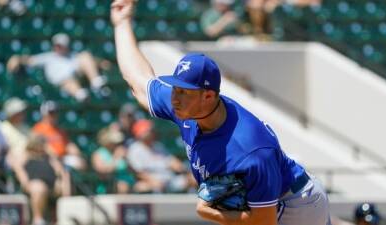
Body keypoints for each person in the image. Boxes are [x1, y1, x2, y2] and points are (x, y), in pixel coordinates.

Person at [111, 0, 331, 224]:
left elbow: (262, 222)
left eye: (184, 92)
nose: (175, 98)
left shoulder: (251, 149)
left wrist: (210, 212)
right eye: (175, 89)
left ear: (208, 96)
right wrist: (122, 23)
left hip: (294, 205)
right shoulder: (186, 106)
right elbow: (138, 81)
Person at [6, 33, 107, 102]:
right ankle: (81, 96)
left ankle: (96, 83)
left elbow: (88, 60)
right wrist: (17, 58)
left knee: (85, 55)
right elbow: (29, 60)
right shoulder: (48, 57)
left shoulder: (73, 56)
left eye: (61, 46)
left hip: (76, 75)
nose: (58, 48)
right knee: (69, 81)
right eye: (57, 45)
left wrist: (101, 62)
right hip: (61, 81)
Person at [13, 134, 70, 225]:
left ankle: (63, 216)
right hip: (34, 183)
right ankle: (38, 219)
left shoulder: (48, 156)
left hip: (51, 183)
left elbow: (60, 170)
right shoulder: (26, 154)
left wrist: (59, 181)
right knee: (39, 188)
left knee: (65, 183)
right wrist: (24, 180)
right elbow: (18, 167)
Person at [127, 119, 195, 193]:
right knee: (142, 187)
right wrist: (152, 181)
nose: (150, 132)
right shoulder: (135, 149)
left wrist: (184, 170)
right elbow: (138, 172)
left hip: (169, 179)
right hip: (151, 181)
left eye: (150, 130)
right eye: (147, 131)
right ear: (139, 134)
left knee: (193, 179)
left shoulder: (158, 146)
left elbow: (172, 162)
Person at [32, 100, 86, 171]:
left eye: (55, 112)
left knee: (81, 163)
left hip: (63, 158)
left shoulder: (59, 130)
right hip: (48, 159)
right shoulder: (38, 128)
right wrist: (53, 154)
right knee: (57, 164)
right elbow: (38, 146)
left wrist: (76, 152)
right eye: (51, 113)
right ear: (44, 114)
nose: (54, 115)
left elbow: (68, 144)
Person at [92, 126, 138, 194]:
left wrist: (127, 159)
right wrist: (116, 158)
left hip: (128, 181)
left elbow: (133, 171)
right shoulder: (98, 154)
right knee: (122, 185)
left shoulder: (121, 152)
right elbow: (102, 171)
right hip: (109, 184)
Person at [0, 97, 30, 168]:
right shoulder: (3, 127)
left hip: (29, 156)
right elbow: (5, 149)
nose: (22, 114)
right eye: (19, 112)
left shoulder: (25, 127)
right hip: (13, 158)